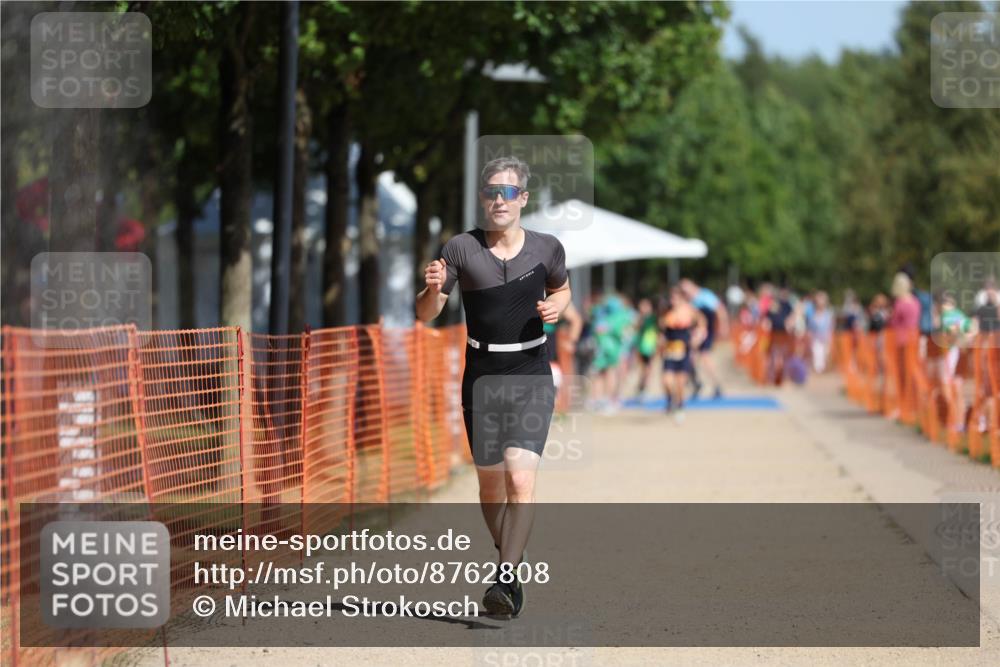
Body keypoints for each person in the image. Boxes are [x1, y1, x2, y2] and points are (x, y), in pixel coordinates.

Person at [415, 156, 571, 618]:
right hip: (480, 377)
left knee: (520, 479)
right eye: (490, 192)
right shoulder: (461, 249)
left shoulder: (546, 248)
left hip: (530, 373)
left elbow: (562, 289)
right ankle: (511, 560)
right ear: (482, 198)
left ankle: (503, 580)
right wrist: (430, 289)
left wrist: (557, 307)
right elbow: (427, 314)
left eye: (508, 192)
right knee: (490, 488)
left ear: (522, 198)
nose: (498, 200)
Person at [660, 287, 705, 423]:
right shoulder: (666, 312)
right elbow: (662, 330)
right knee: (667, 381)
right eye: (672, 298)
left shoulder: (690, 311)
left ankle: (680, 407)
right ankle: (670, 400)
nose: (673, 300)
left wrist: (698, 337)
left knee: (680, 383)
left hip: (684, 350)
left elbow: (702, 324)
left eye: (676, 298)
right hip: (669, 350)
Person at [680, 278, 728, 398]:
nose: (686, 294)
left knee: (705, 357)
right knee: (689, 358)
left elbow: (720, 310)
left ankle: (717, 384)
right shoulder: (688, 300)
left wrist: (723, 326)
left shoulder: (705, 296)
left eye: (686, 290)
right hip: (693, 332)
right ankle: (696, 382)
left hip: (706, 330)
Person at [808, 291, 835, 373]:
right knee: (817, 355)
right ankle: (818, 370)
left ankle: (825, 370)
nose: (820, 302)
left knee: (826, 355)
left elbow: (831, 327)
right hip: (815, 338)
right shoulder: (812, 313)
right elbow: (810, 327)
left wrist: (830, 338)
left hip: (825, 338)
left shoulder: (828, 313)